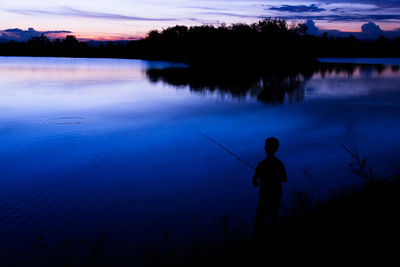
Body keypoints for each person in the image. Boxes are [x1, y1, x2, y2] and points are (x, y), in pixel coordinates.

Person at [252, 137, 287, 236]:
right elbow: (285, 179)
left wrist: (262, 180)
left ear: (266, 148)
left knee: (260, 219)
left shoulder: (261, 164)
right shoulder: (279, 164)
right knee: (273, 218)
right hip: (276, 194)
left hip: (265, 195)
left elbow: (254, 181)